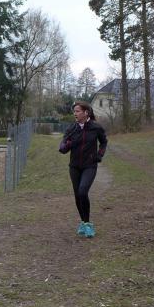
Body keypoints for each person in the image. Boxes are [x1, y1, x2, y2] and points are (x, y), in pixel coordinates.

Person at [59, 101, 108, 238]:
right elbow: (63, 148)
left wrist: (99, 155)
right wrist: (67, 144)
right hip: (74, 167)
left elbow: (104, 142)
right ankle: (83, 222)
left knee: (82, 191)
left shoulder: (96, 127)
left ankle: (88, 224)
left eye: (78, 111)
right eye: (74, 111)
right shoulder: (72, 129)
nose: (75, 113)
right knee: (77, 195)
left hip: (89, 166)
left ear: (86, 112)